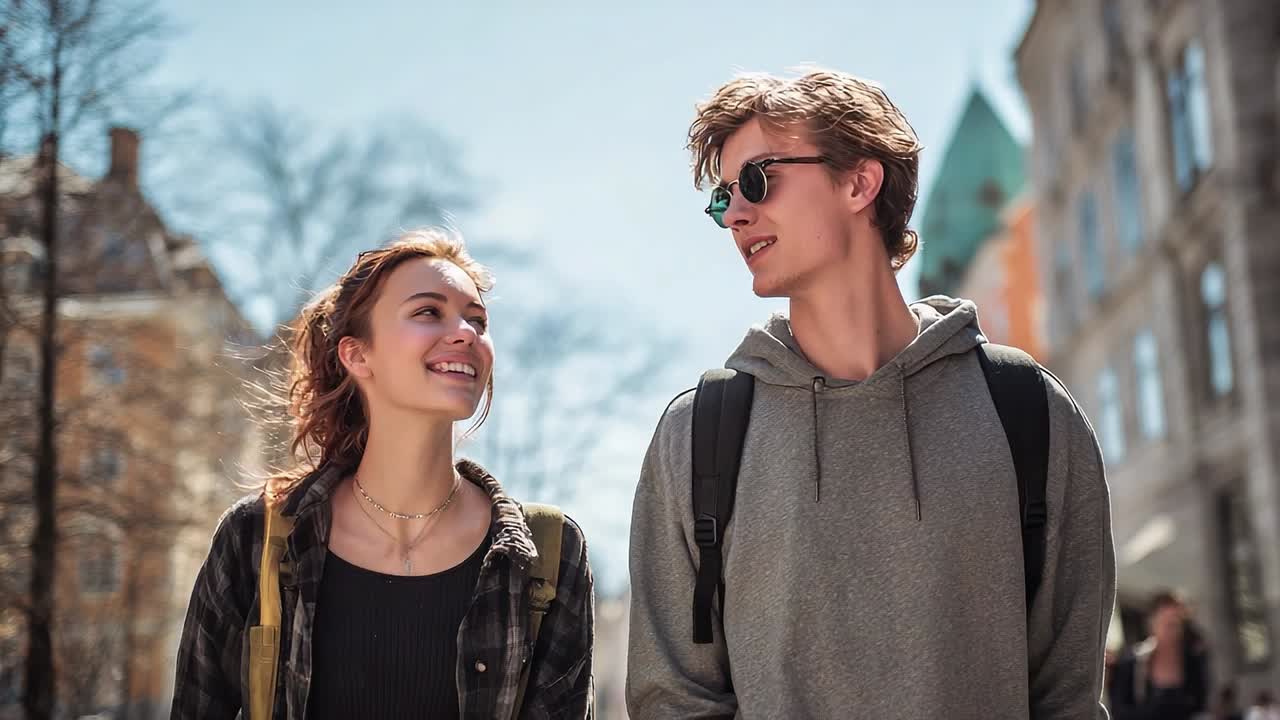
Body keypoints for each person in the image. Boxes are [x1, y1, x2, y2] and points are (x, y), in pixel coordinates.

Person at [626, 67, 1116, 719]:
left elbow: (1068, 698)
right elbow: (672, 700)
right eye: (722, 200)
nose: (736, 214)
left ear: (859, 180)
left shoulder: (1033, 414)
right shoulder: (696, 438)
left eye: (756, 180)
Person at [171, 229, 594, 719]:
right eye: (428, 312)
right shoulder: (256, 538)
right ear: (357, 355)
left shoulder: (548, 554)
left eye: (477, 320)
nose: (466, 333)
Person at [1106, 592, 1210, 720]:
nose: (1170, 631)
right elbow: (1120, 711)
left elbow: (1201, 707)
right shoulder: (1132, 663)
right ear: (1152, 624)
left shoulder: (1193, 663)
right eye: (1165, 623)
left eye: (1175, 624)